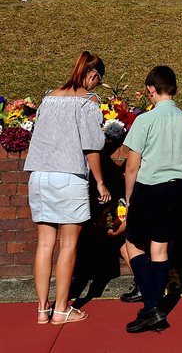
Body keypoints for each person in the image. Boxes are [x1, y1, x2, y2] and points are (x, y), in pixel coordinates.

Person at [23, 51, 112, 325]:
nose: (97, 86)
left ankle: (42, 309)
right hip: (69, 175)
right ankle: (61, 309)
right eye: (98, 80)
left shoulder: (48, 96)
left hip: (38, 175)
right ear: (93, 75)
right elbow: (91, 147)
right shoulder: (88, 100)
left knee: (45, 244)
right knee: (68, 244)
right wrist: (100, 182)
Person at [121, 65, 182, 334]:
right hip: (178, 189)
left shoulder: (145, 120)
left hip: (150, 188)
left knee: (133, 244)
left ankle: (152, 308)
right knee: (160, 250)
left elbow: (131, 166)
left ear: (152, 88)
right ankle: (157, 305)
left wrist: (129, 197)